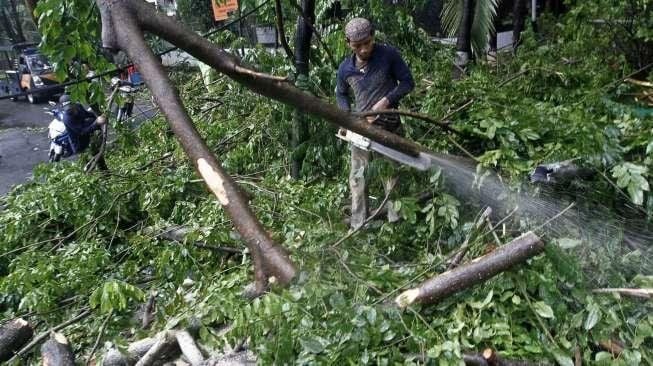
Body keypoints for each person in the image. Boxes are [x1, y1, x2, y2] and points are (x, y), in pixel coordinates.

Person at [335, 17, 415, 230]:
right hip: (361, 129)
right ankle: (358, 222)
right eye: (357, 45)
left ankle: (395, 221)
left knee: (390, 173)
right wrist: (345, 116)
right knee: (357, 176)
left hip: (389, 126)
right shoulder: (345, 69)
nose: (363, 49)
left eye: (367, 43)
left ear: (373, 36)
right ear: (348, 42)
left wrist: (386, 101)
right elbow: (341, 94)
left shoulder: (388, 56)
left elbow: (408, 82)